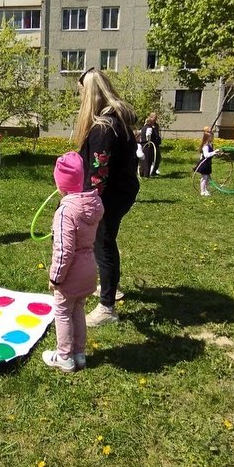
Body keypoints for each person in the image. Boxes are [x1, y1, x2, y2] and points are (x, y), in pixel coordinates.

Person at [74, 68, 139, 327]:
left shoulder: (103, 127)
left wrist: (84, 204)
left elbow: (98, 174)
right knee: (107, 241)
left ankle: (107, 307)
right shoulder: (117, 121)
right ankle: (113, 287)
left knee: (103, 244)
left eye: (81, 93)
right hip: (123, 191)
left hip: (109, 195)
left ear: (90, 94)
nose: (80, 99)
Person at [43, 152, 104, 372]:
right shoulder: (91, 205)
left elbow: (64, 250)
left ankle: (65, 357)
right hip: (88, 268)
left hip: (70, 273)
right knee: (77, 309)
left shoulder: (65, 211)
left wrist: (55, 277)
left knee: (62, 312)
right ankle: (79, 354)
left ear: (60, 183)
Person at [195, 126, 220, 196]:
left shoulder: (210, 144)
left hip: (208, 163)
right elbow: (206, 155)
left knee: (207, 178)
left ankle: (205, 189)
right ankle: (202, 191)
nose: (213, 138)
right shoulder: (205, 146)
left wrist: (216, 153)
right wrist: (214, 152)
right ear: (208, 138)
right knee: (204, 178)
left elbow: (211, 154)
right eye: (212, 137)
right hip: (204, 164)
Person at [138, 112, 162, 177]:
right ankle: (145, 173)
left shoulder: (156, 125)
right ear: (151, 118)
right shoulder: (148, 126)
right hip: (149, 144)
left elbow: (157, 133)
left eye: (156, 118)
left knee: (157, 158)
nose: (155, 119)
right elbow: (147, 134)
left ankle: (153, 171)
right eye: (155, 118)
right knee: (147, 159)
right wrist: (148, 142)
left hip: (156, 144)